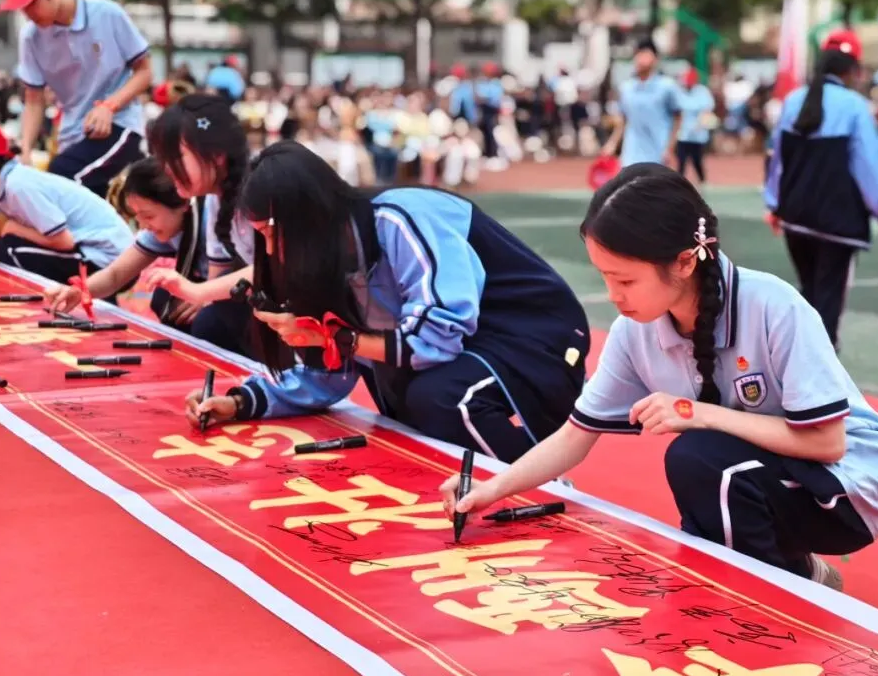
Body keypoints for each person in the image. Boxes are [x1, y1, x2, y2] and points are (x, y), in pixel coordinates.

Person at [440, 164, 878, 590]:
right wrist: (491, 488)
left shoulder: (773, 306)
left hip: (847, 490)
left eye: (625, 281)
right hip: (770, 476)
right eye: (605, 277)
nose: (613, 296)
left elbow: (827, 443)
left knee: (699, 458)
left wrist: (696, 413)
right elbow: (574, 436)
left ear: (684, 262)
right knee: (702, 467)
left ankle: (779, 598)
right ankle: (798, 575)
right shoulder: (634, 331)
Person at [185, 141, 591, 464]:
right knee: (399, 390)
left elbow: (440, 336)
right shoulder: (326, 260)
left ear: (308, 213)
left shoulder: (399, 217)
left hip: (537, 334)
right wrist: (241, 402)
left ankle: (533, 479)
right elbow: (326, 375)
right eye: (260, 236)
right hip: (472, 345)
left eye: (271, 231)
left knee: (438, 394)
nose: (270, 250)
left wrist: (338, 338)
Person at [764, 29, 878, 351]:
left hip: (795, 216)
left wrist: (774, 204)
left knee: (809, 295)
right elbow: (867, 166)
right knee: (828, 303)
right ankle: (820, 377)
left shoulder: (794, 101)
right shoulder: (854, 106)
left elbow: (777, 158)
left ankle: (796, 367)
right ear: (852, 69)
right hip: (837, 221)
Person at [45, 158, 252, 354]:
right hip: (216, 284)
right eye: (138, 217)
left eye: (149, 216)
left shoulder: (214, 215)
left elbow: (247, 272)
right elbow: (116, 274)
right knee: (166, 297)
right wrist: (80, 291)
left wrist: (204, 295)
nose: (143, 225)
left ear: (182, 202)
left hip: (246, 290)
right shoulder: (164, 226)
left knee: (209, 321)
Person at [0, 0, 151, 197]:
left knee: (63, 177)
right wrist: (26, 150)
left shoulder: (106, 13)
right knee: (88, 212)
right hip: (72, 134)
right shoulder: (31, 37)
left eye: (31, 4)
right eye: (22, 8)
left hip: (120, 124)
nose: (28, 14)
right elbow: (34, 100)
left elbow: (145, 72)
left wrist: (109, 106)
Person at [139, 94, 259, 351]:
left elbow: (272, 270)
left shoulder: (260, 190)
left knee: (211, 321)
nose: (167, 169)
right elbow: (217, 275)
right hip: (266, 294)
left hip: (304, 301)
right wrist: (201, 295)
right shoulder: (216, 197)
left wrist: (200, 293)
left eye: (175, 157)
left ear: (216, 155)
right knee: (174, 304)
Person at [0, 120, 132, 292]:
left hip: (111, 260)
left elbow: (64, 241)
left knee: (8, 249)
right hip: (90, 249)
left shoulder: (18, 185)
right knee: (3, 245)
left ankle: (52, 305)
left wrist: (15, 228)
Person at [601, 38, 681, 167]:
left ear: (655, 59)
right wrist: (612, 143)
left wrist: (670, 148)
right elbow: (623, 120)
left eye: (645, 54)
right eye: (638, 54)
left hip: (658, 155)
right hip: (631, 155)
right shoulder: (626, 88)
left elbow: (678, 118)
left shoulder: (667, 86)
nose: (640, 58)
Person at [674, 67, 715, 185]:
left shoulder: (703, 92)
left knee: (697, 160)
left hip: (698, 134)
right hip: (683, 134)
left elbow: (707, 110)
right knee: (681, 161)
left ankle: (703, 182)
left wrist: (700, 124)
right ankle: (678, 184)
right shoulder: (679, 92)